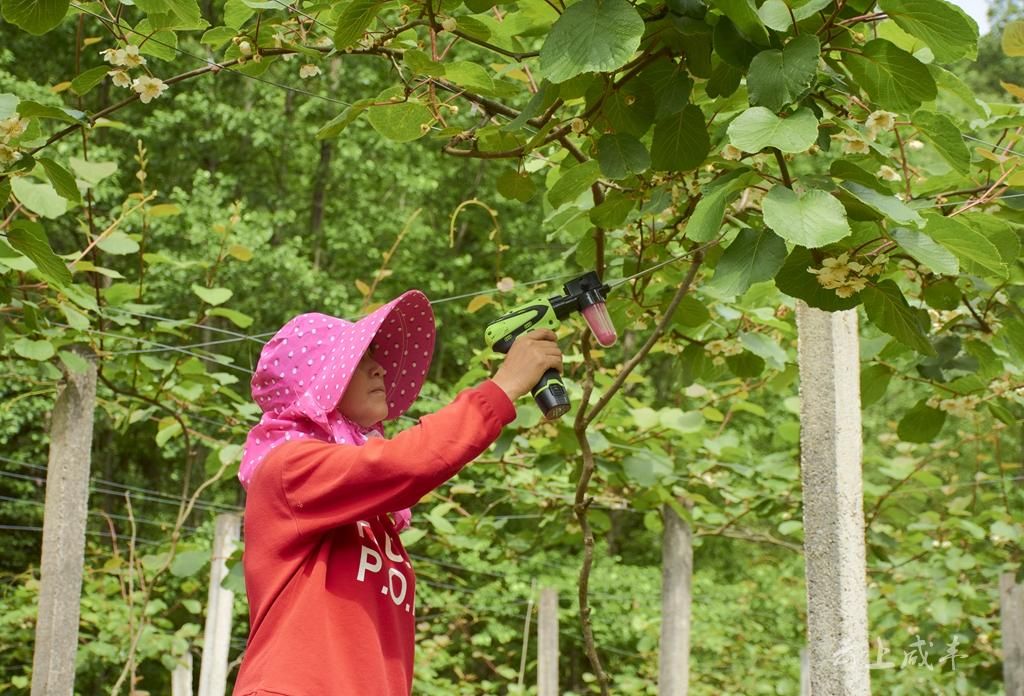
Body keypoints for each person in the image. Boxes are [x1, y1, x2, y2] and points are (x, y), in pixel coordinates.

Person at [232, 289, 563, 696]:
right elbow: (405, 463)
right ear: (315, 387)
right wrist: (503, 386)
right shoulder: (289, 470)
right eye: (358, 361)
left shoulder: (368, 514)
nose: (380, 370)